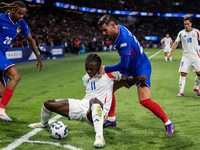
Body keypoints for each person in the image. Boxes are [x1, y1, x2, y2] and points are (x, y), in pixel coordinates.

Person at [28, 54, 147, 148]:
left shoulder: (110, 73)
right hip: (83, 105)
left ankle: (99, 137)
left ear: (99, 67)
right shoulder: (85, 79)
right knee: (48, 104)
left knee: (94, 102)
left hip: (100, 111)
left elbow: (128, 79)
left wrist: (138, 78)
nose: (88, 71)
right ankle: (44, 124)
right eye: (87, 68)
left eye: (91, 69)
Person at [97, 15, 174, 135]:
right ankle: (111, 120)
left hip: (141, 67)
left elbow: (123, 65)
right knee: (109, 88)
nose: (103, 33)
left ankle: (168, 123)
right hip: (131, 67)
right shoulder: (118, 30)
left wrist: (105, 68)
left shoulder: (123, 39)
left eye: (105, 30)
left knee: (144, 101)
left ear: (113, 26)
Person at [0, 1, 42, 121]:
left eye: (23, 14)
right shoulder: (1, 18)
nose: (21, 16)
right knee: (16, 76)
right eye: (19, 13)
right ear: (12, 10)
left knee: (0, 92)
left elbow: (30, 40)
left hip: (2, 54)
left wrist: (38, 58)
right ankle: (1, 110)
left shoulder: (21, 24)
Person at [167, 17, 200, 97]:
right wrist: (170, 52)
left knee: (199, 74)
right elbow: (175, 43)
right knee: (183, 74)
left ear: (191, 24)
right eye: (185, 24)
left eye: (187, 24)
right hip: (186, 57)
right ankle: (181, 92)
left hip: (195, 56)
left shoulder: (197, 32)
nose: (186, 25)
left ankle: (196, 87)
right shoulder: (181, 33)